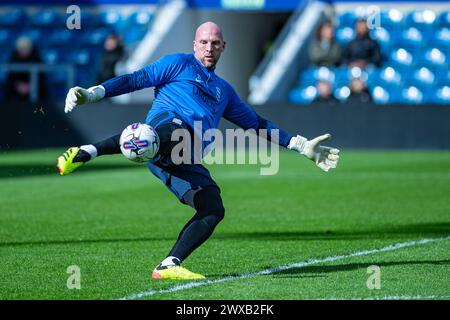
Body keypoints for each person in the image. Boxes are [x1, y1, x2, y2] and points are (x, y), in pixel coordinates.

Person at [58, 22, 340, 280]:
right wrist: (93, 93)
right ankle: (86, 152)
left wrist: (299, 144)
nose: (209, 48)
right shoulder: (177, 64)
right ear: (195, 44)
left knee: (213, 208)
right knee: (170, 130)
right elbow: (135, 79)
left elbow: (257, 124)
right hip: (167, 129)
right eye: (204, 42)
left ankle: (169, 264)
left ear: (223, 47)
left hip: (183, 158)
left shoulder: (224, 91)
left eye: (215, 43)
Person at [6, 36, 46, 102]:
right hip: (17, 90)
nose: (24, 51)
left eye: (26, 49)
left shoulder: (36, 58)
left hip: (34, 88)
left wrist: (30, 86)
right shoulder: (13, 58)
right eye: (22, 49)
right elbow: (10, 77)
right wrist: (17, 85)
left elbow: (41, 78)